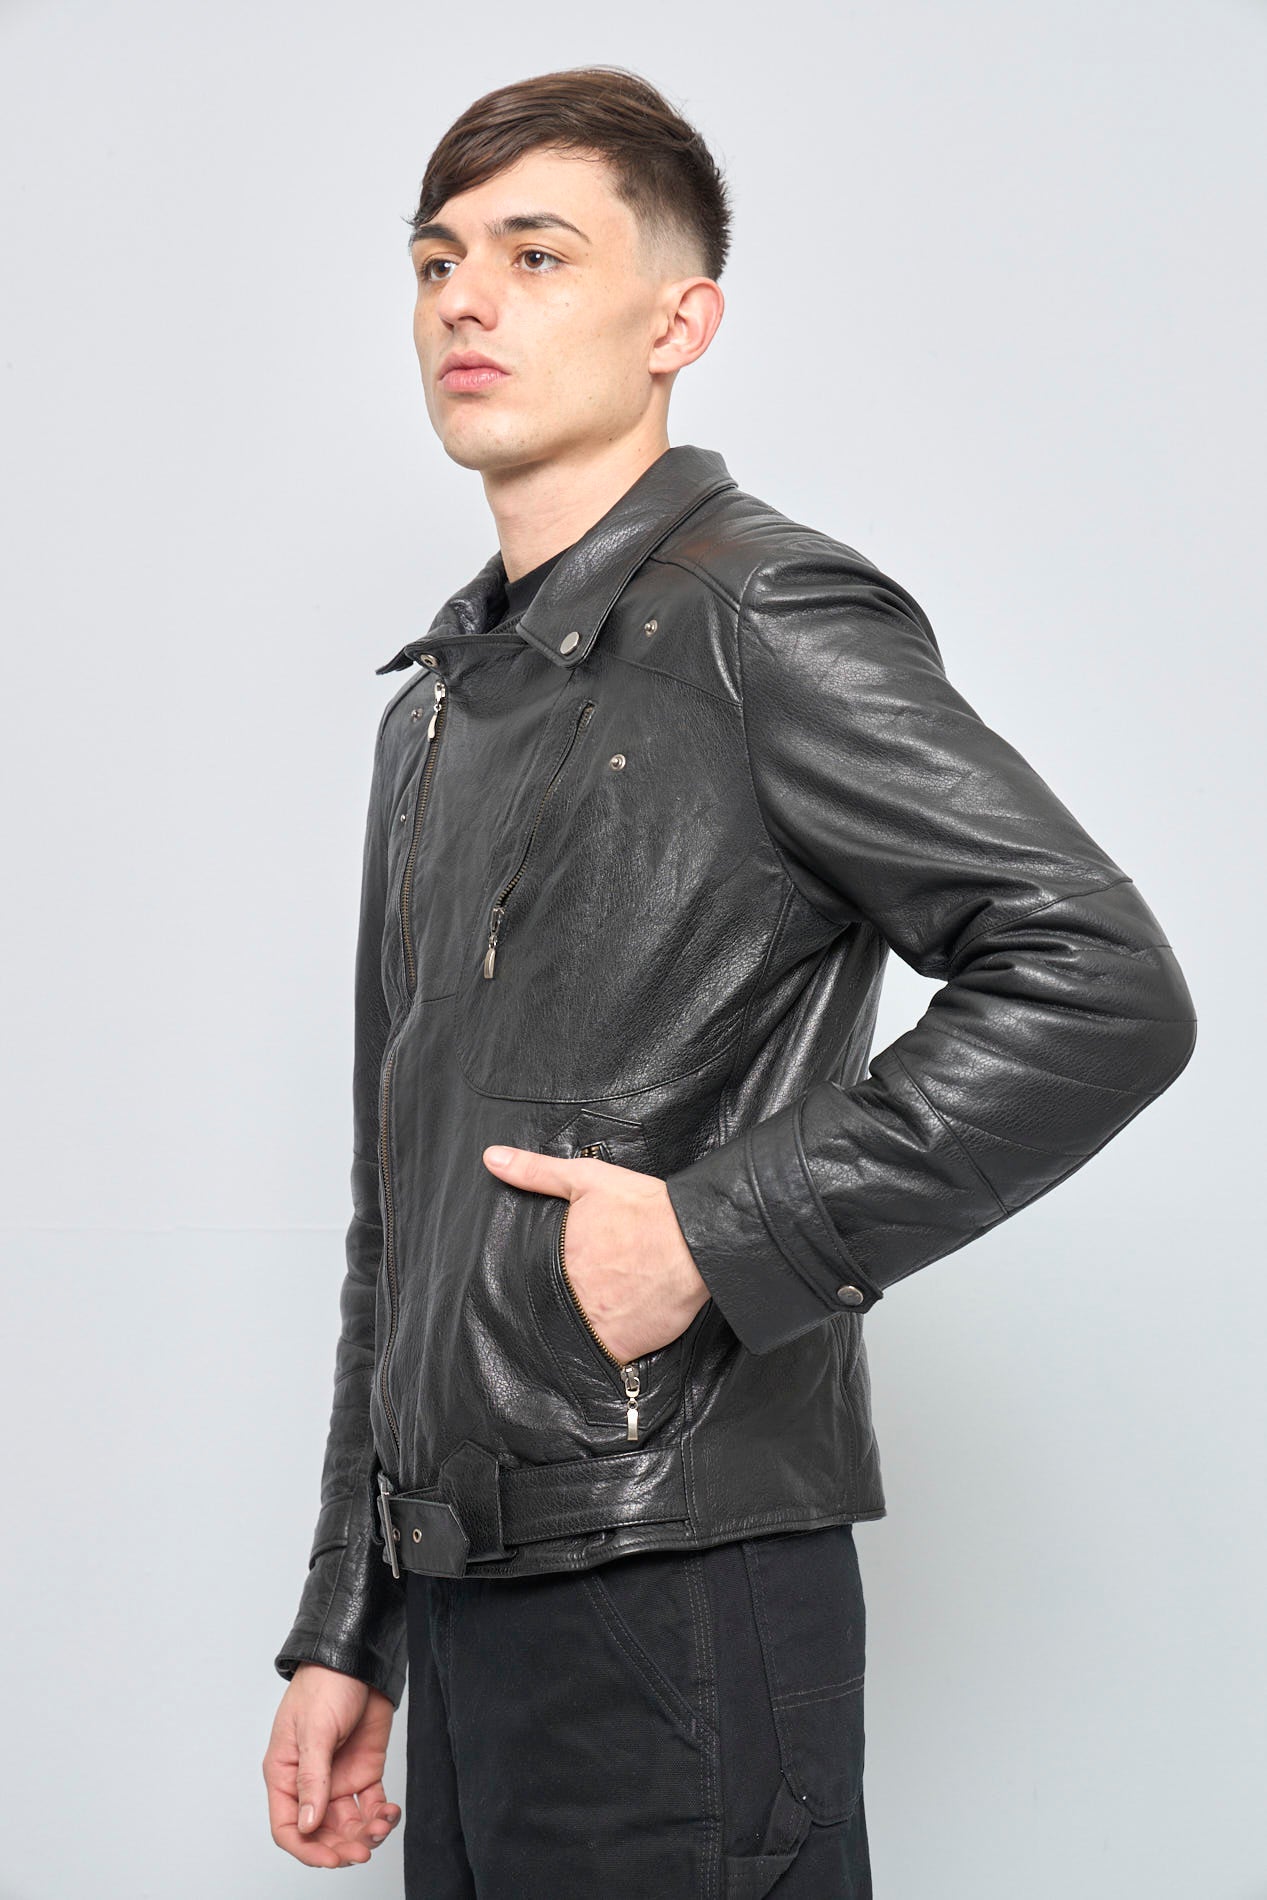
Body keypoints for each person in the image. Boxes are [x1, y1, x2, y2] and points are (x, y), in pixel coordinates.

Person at [261, 66, 1197, 1897]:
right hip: (467, 1605)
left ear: (679, 322)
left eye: (537, 254)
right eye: (439, 261)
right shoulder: (439, 712)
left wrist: (714, 1233)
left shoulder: (759, 616)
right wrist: (350, 1619)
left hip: (676, 1590)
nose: (465, 299)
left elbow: (1099, 978)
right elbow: (403, 1214)